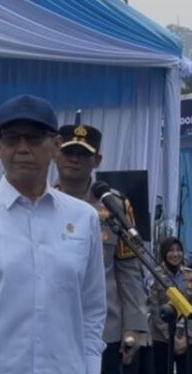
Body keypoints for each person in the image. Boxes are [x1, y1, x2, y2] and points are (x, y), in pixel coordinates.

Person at [0, 94, 106, 374]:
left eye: (35, 138)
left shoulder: (84, 218)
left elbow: (92, 309)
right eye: (12, 138)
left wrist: (90, 367)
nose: (23, 148)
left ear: (56, 146)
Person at [54, 116, 148, 374]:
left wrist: (134, 326)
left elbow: (128, 270)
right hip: (54, 326)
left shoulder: (115, 206)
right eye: (68, 152)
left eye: (83, 154)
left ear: (97, 161)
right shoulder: (41, 203)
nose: (74, 159)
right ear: (55, 154)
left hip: (106, 329)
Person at [148, 237, 192, 374]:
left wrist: (187, 336)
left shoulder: (189, 275)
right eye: (171, 250)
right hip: (161, 338)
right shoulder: (155, 275)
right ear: (164, 252)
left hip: (186, 339)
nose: (175, 254)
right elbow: (154, 309)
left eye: (178, 250)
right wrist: (171, 338)